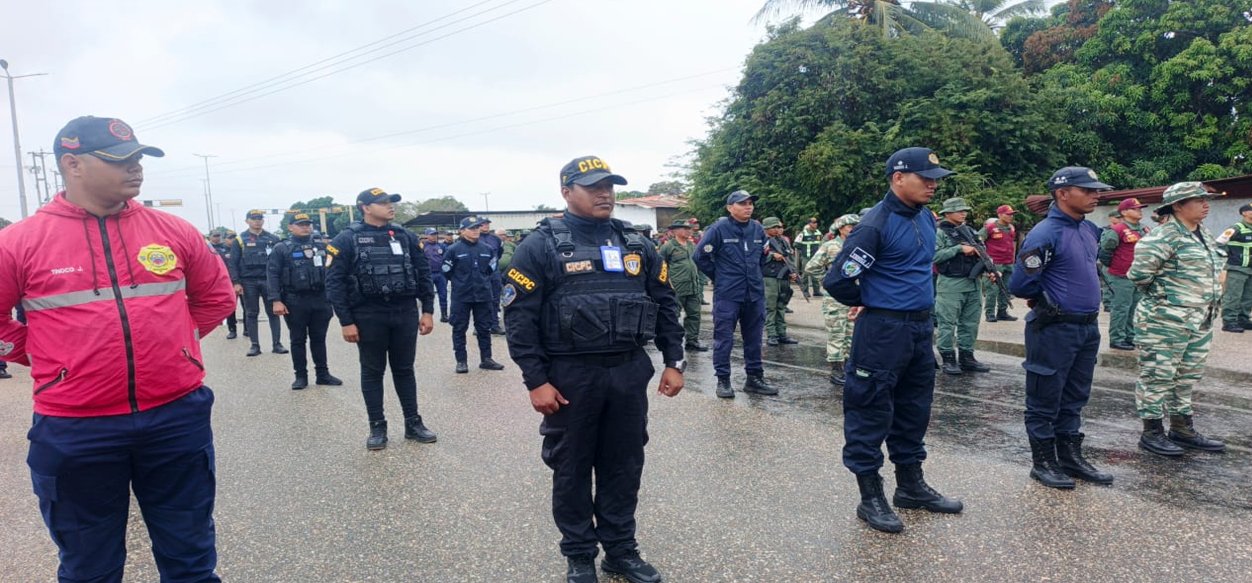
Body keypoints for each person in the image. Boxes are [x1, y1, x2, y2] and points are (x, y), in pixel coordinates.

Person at [0, 115, 236, 580]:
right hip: (75, 426)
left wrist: (175, 347)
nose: (135, 167)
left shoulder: (173, 230)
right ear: (72, 164)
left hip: (175, 417)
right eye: (119, 159)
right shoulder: (18, 242)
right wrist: (48, 358)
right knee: (89, 566)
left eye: (138, 158)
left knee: (190, 558)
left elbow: (216, 298)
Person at [503, 155, 684, 583]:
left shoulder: (636, 243)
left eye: (609, 186)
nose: (605, 194)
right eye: (593, 187)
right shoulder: (540, 246)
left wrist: (673, 361)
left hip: (627, 370)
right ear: (567, 192)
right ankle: (580, 553)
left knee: (624, 464)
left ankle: (620, 550)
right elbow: (519, 319)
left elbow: (665, 303)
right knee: (572, 466)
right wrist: (536, 380)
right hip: (570, 376)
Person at [823, 147, 963, 533]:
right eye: (925, 178)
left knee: (914, 408)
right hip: (883, 331)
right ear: (898, 178)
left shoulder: (926, 217)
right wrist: (870, 300)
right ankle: (870, 497)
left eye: (936, 179)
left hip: (919, 328)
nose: (933, 185)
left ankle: (911, 486)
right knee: (869, 410)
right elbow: (837, 280)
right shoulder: (875, 224)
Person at [1008, 166, 1116, 490]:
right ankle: (1043, 462)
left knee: (1074, 396)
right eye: (1088, 190)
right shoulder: (1045, 233)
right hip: (1055, 328)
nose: (1096, 196)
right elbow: (1021, 283)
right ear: (1063, 193)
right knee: (1044, 397)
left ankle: (1069, 457)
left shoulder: (1088, 229)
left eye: (1097, 190)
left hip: (1086, 327)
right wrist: (1047, 299)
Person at [325, 188, 437, 450]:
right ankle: (377, 426)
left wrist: (428, 311)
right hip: (368, 315)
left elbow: (423, 273)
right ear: (365, 207)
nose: (390, 206)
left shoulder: (405, 236)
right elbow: (334, 283)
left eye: (391, 202)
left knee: (405, 369)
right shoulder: (346, 239)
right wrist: (346, 321)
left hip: (404, 312)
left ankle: (413, 423)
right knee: (372, 371)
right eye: (383, 203)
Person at [1127, 182, 1227, 456]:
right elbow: (1139, 275)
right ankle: (1151, 432)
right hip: (1164, 321)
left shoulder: (1204, 234)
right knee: (1157, 375)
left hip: (1200, 318)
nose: (1206, 205)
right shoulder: (1163, 237)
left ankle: (1182, 428)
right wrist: (1168, 299)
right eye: (1198, 200)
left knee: (1186, 376)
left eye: (1206, 200)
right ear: (1178, 206)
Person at [693, 191, 776, 398]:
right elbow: (700, 257)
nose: (748, 207)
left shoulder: (757, 229)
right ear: (730, 208)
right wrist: (720, 277)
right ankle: (723, 380)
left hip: (754, 294)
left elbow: (763, 257)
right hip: (728, 295)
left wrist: (754, 276)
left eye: (750, 203)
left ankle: (754, 378)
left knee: (754, 339)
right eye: (742, 204)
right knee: (724, 339)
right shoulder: (718, 229)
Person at [267, 212, 342, 390]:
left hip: (320, 298)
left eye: (307, 224)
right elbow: (272, 274)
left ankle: (322, 374)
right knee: (298, 340)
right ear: (290, 227)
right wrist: (276, 300)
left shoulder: (322, 246)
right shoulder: (281, 248)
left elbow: (334, 270)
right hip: (295, 300)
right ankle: (300, 376)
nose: (305, 227)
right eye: (300, 224)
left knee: (319, 338)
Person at [933, 197, 993, 375]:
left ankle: (967, 357)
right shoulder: (939, 232)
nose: (963, 213)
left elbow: (982, 252)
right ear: (947, 213)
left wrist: (989, 269)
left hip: (973, 282)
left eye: (964, 210)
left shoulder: (970, 231)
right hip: (951, 283)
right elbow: (934, 256)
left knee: (970, 322)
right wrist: (958, 249)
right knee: (947, 323)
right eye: (959, 210)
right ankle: (948, 358)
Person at [443, 216, 506, 374]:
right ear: (462, 231)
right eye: (471, 228)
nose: (476, 230)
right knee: (459, 328)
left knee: (484, 328)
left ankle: (486, 359)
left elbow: (491, 269)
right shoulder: (453, 250)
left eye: (477, 227)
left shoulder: (487, 249)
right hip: (461, 296)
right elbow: (447, 271)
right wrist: (461, 282)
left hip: (483, 294)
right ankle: (461, 361)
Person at [804, 214, 861, 385]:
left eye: (856, 226)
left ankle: (849, 367)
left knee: (852, 334)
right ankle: (836, 370)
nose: (853, 229)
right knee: (837, 334)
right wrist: (827, 281)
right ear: (840, 228)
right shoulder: (830, 246)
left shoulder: (858, 246)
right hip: (835, 298)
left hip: (854, 296)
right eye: (850, 226)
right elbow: (811, 267)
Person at [230, 209, 287, 356]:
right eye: (254, 218)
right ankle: (254, 345)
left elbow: (281, 262)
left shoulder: (273, 239)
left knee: (273, 312)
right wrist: (236, 282)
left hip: (268, 280)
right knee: (251, 312)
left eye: (260, 218)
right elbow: (233, 263)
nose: (257, 221)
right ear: (247, 221)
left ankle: (277, 344)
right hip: (248, 281)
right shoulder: (240, 240)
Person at [1101, 197, 1150, 350]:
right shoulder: (1118, 230)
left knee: (1135, 308)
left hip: (1139, 276)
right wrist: (1117, 266)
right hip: (1121, 276)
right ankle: (1117, 338)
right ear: (1124, 212)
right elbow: (1105, 252)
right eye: (1135, 209)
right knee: (1121, 308)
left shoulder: (1145, 229)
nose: (1139, 211)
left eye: (1140, 208)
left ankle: (1130, 336)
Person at [658, 219, 707, 351]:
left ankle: (692, 341)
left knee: (694, 315)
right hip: (677, 287)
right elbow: (661, 266)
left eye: (688, 228)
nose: (688, 231)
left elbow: (698, 262)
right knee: (674, 315)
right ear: (675, 231)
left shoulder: (692, 245)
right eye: (684, 228)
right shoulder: (668, 247)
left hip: (693, 286)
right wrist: (667, 284)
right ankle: (672, 343)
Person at [762, 217, 799, 346]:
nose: (777, 229)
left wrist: (793, 272)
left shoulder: (783, 241)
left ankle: (782, 334)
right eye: (774, 227)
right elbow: (756, 255)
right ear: (766, 228)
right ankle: (772, 334)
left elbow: (789, 257)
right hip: (769, 277)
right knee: (770, 307)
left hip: (783, 277)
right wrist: (771, 255)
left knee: (781, 306)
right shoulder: (762, 240)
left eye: (779, 227)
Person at [1216, 203, 1252, 333]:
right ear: (1244, 213)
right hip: (1237, 268)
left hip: (1250, 269)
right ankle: (1229, 321)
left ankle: (1243, 319)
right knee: (1233, 296)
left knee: (1248, 296)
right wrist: (1230, 254)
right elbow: (1219, 243)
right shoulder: (1236, 228)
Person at [979, 204, 1018, 322]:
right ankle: (990, 313)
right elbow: (978, 241)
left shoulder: (1011, 228)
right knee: (992, 289)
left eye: (1012, 214)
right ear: (1000, 215)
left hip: (1008, 262)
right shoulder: (990, 227)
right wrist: (985, 259)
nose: (1011, 216)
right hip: (994, 264)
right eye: (1008, 214)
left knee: (1006, 288)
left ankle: (1002, 312)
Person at [207, 229, 240, 339]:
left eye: (234, 237)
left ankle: (247, 329)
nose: (233, 240)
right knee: (230, 306)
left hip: (240, 280)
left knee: (247, 307)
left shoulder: (238, 248)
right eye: (230, 238)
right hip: (225, 281)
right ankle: (232, 329)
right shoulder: (213, 249)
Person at [479, 219, 507, 335]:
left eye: (487, 224)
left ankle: (495, 325)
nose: (486, 226)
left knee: (495, 300)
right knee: (480, 300)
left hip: (494, 273)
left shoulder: (495, 239)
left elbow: (499, 254)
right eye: (483, 224)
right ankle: (479, 326)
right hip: (480, 274)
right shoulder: (475, 238)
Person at [422, 227, 450, 322]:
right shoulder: (422, 246)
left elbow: (447, 258)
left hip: (440, 274)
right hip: (428, 275)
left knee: (443, 295)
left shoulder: (441, 246)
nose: (434, 236)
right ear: (427, 235)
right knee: (428, 295)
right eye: (432, 234)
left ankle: (444, 315)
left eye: (435, 234)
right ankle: (427, 315)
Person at [1097, 210, 1122, 313]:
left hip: (1119, 262)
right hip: (1108, 261)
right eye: (1117, 218)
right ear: (1111, 218)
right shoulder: (1107, 231)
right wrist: (1107, 262)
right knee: (1108, 284)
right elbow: (1104, 248)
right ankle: (1108, 304)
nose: (1120, 220)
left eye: (1121, 218)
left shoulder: (1123, 230)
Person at [795, 217, 824, 298]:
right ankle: (805, 291)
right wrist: (803, 251)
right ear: (809, 223)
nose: (815, 224)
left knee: (815, 273)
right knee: (805, 274)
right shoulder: (803, 233)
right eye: (813, 222)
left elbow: (822, 243)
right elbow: (796, 244)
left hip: (816, 257)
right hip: (806, 257)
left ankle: (816, 291)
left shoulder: (819, 233)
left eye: (816, 222)